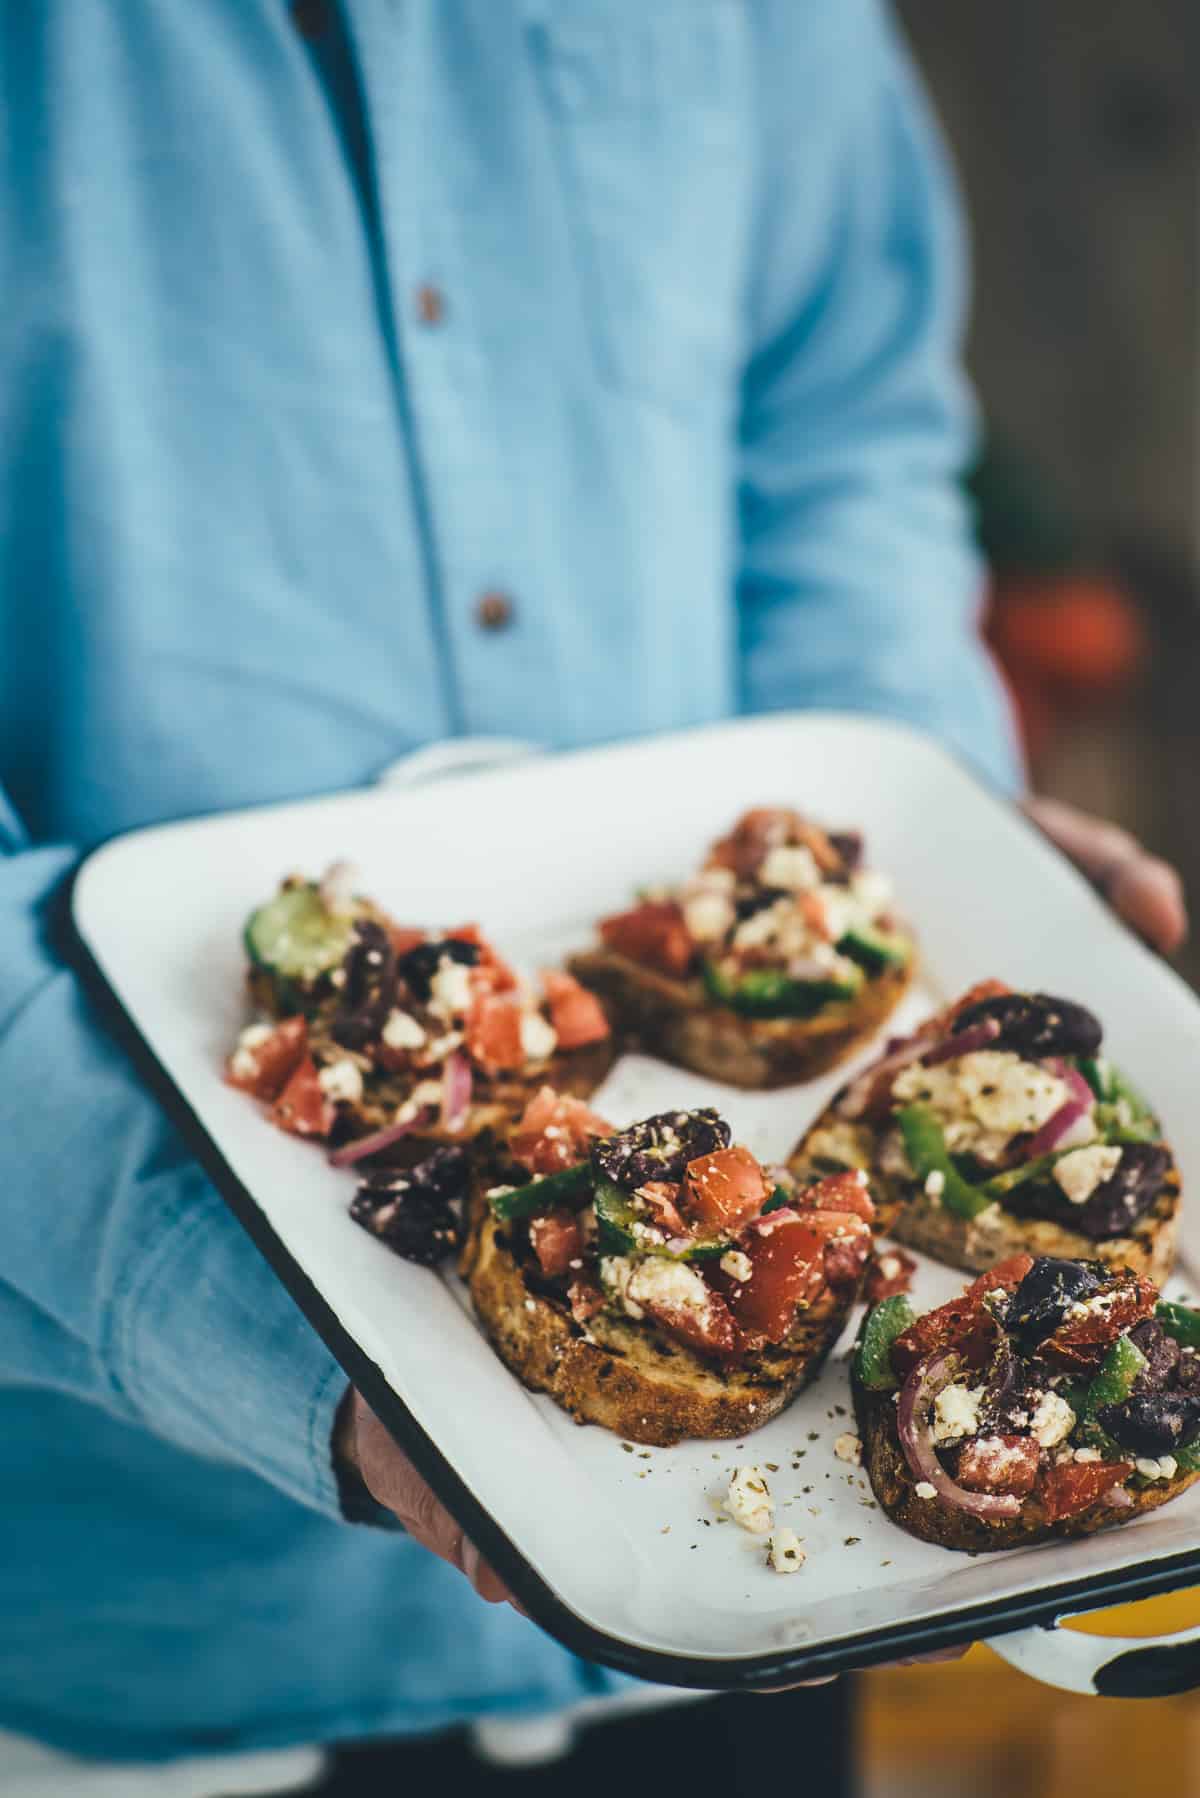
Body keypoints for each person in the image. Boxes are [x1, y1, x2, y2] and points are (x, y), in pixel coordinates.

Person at [0, 2, 1185, 1792]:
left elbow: (834, 432)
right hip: (152, 1628)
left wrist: (921, 831)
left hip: (748, 1642)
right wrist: (256, 1322)